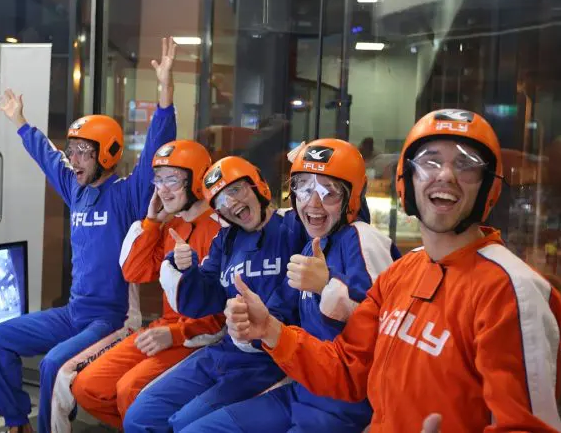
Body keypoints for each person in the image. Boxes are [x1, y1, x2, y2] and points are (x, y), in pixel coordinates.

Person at [225, 109, 561, 432]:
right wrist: (270, 330)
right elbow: (347, 370)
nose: (445, 174)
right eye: (429, 161)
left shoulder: (513, 291)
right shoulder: (402, 272)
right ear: (406, 181)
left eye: (465, 164)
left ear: (488, 187)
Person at [0, 37, 178, 433]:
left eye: (83, 152)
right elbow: (47, 156)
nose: (73, 159)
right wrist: (20, 122)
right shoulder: (76, 189)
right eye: (72, 151)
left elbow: (157, 145)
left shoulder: (127, 195)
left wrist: (165, 93)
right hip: (74, 314)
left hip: (114, 319)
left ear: (106, 153)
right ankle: (17, 424)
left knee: (53, 365)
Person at [180, 139, 399, 432]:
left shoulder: (361, 238)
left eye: (328, 191)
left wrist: (327, 286)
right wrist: (253, 325)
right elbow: (281, 307)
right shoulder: (311, 246)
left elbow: (387, 331)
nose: (313, 202)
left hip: (344, 406)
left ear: (352, 197)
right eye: (304, 188)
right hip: (303, 388)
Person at [122, 156, 309, 432]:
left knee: (183, 423)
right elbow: (203, 299)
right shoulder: (226, 240)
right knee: (141, 415)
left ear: (257, 185)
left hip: (270, 360)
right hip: (224, 352)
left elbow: (341, 224)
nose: (231, 202)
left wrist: (306, 174)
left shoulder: (294, 226)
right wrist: (185, 269)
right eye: (221, 200)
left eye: (236, 190)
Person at [60, 140, 225, 430]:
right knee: (88, 387)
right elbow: (134, 272)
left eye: (172, 179)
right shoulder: (171, 225)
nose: (162, 189)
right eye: (158, 180)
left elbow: (224, 313)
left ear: (198, 179)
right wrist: (151, 222)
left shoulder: (221, 229)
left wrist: (175, 334)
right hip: (165, 328)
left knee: (130, 391)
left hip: (201, 338)